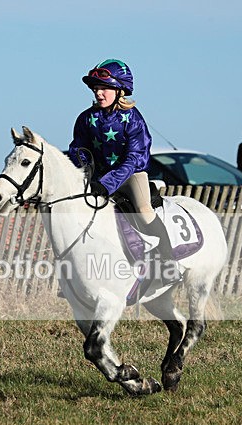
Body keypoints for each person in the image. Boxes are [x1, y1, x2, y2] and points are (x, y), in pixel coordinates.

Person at [68, 59, 179, 282]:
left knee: (144, 211)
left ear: (119, 90)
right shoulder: (86, 118)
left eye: (104, 88)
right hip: (99, 177)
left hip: (131, 174)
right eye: (96, 88)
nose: (99, 93)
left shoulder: (133, 118)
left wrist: (108, 183)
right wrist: (81, 172)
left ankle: (169, 263)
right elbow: (78, 150)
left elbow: (134, 158)